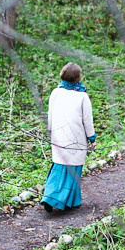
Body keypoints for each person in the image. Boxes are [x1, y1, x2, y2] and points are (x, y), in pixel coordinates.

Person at [42, 62, 96, 213]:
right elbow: (87, 120)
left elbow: (50, 115)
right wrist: (92, 137)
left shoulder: (56, 92)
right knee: (73, 169)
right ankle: (65, 200)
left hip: (58, 136)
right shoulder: (82, 96)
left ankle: (49, 195)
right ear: (78, 77)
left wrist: (50, 131)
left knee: (58, 167)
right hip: (76, 138)